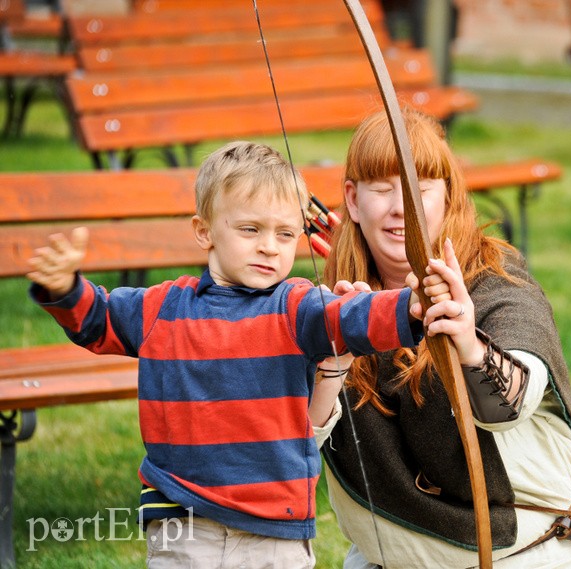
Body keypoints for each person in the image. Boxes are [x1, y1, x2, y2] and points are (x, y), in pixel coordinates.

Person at [26, 141, 452, 569]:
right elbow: (97, 319)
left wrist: (409, 305)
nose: (269, 246)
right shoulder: (160, 309)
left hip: (273, 530)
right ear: (204, 230)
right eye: (250, 229)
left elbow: (349, 317)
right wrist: (65, 290)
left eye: (285, 234)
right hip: (183, 518)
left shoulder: (297, 307)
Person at [312, 110, 571, 568]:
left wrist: (469, 346)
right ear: (352, 200)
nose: (400, 208)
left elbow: (511, 402)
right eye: (381, 188)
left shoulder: (496, 278)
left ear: (446, 196)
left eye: (418, 189)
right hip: (398, 553)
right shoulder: (326, 305)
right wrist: (333, 357)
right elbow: (283, 443)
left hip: (542, 548)